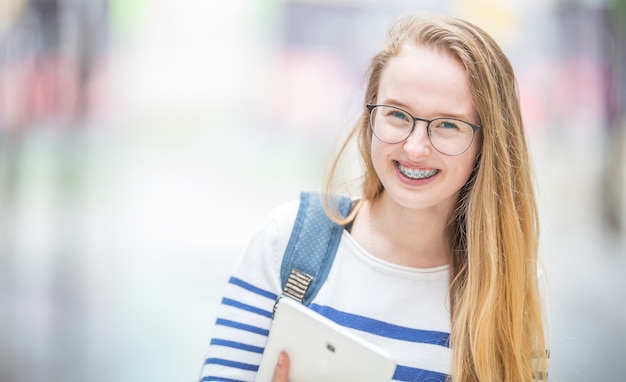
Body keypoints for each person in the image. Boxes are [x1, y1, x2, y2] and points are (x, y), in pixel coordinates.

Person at [199, 13, 550, 382]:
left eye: (448, 124)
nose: (415, 148)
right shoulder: (285, 242)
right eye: (398, 114)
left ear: (487, 141)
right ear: (371, 117)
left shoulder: (512, 281)